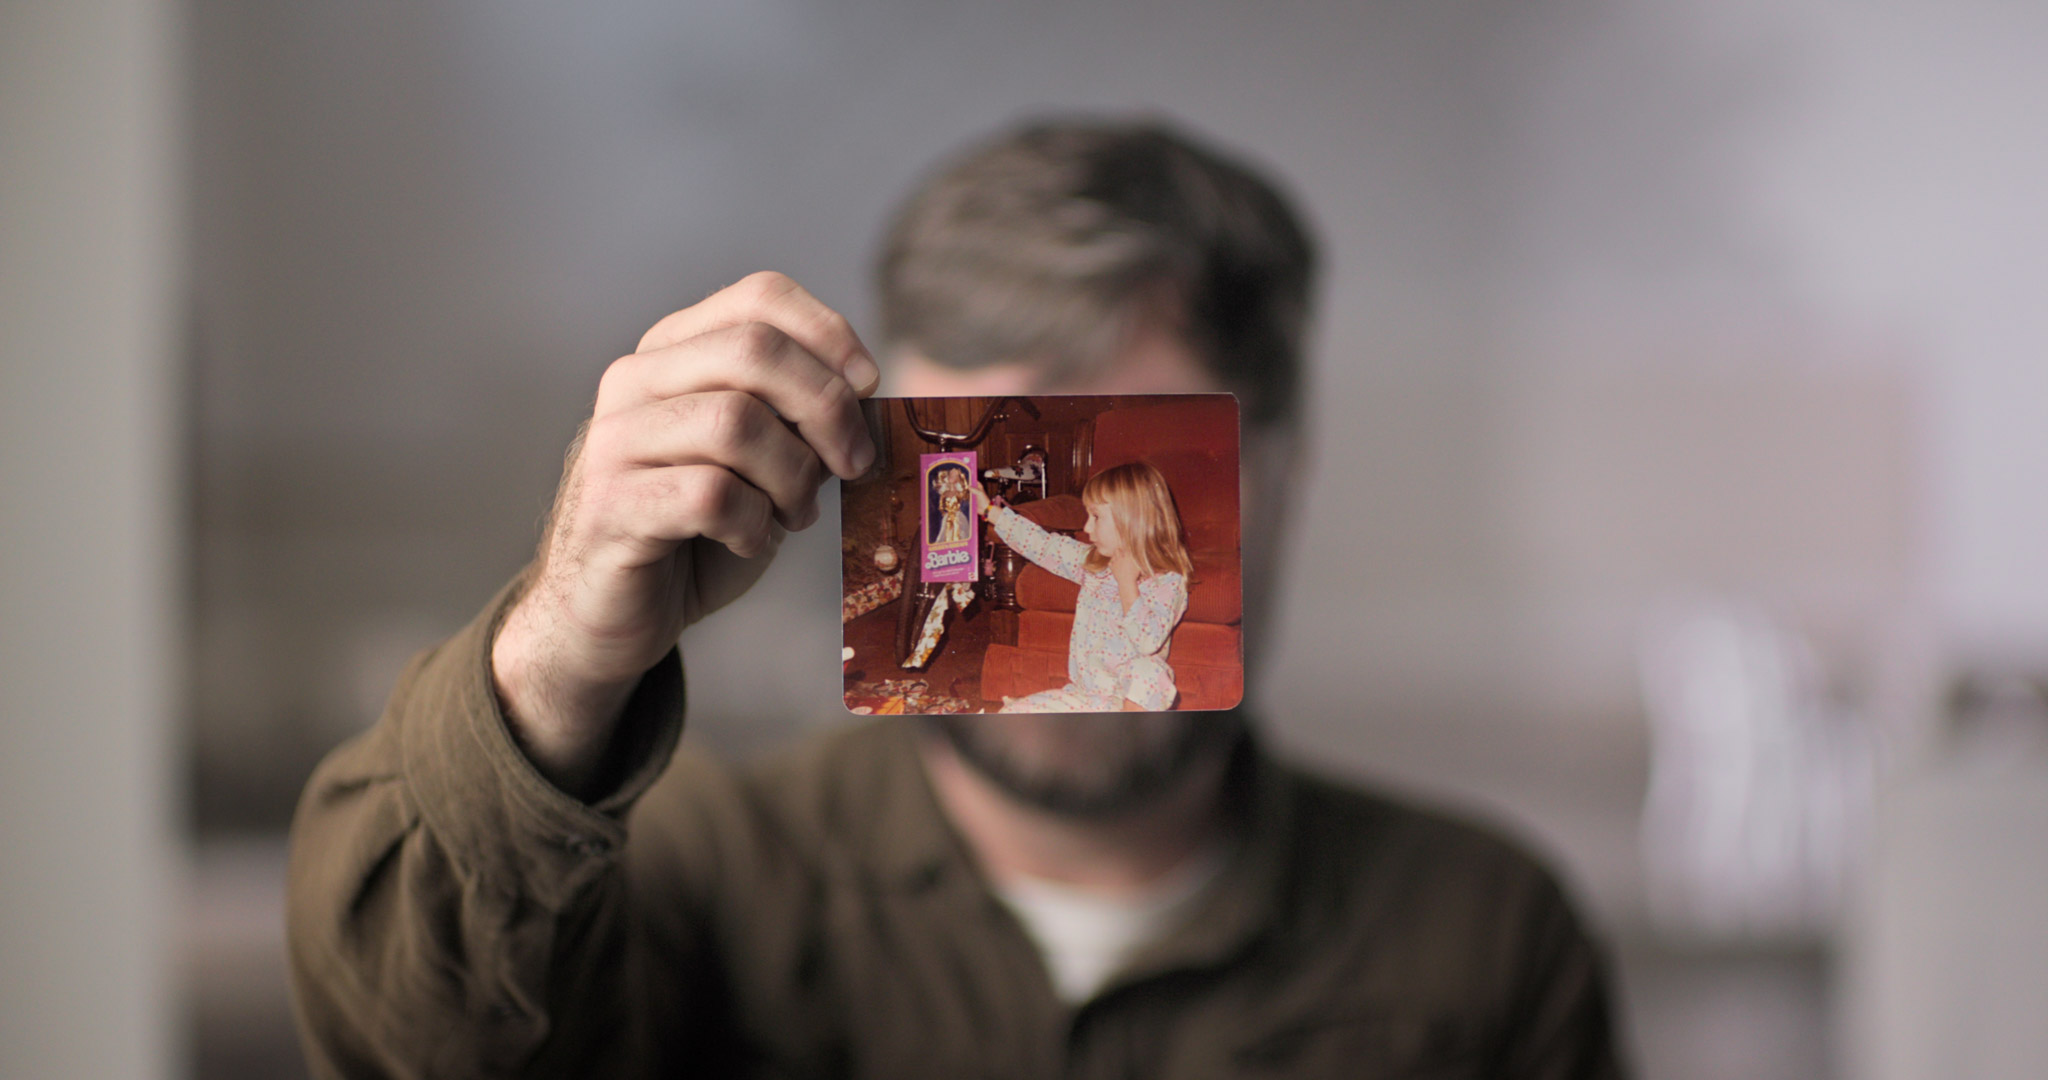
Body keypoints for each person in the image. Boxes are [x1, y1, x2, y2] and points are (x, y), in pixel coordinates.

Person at [287, 118, 1628, 1077]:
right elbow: (408, 1041)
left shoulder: (1484, 940)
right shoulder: (696, 879)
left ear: (1283, 471)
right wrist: (565, 646)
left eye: (1145, 479)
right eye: (979, 457)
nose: (1087, 532)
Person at [982, 461, 1192, 714]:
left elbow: (1147, 642)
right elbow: (1042, 545)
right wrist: (989, 511)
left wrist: (1126, 583)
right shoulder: (1094, 565)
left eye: (1096, 517)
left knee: (1151, 673)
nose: (1086, 528)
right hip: (1086, 698)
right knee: (1012, 715)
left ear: (1131, 521)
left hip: (1132, 704)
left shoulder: (1168, 581)